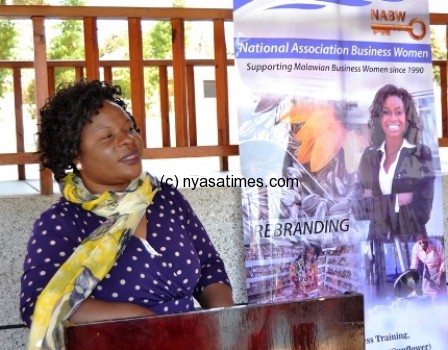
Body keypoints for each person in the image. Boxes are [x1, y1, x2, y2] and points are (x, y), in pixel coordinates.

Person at [20, 79, 234, 350]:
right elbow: (39, 305)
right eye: (108, 136)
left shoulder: (165, 199)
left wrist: (222, 322)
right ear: (75, 153)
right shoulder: (61, 223)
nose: (128, 140)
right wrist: (140, 321)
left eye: (130, 129)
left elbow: (208, 266)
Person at [353, 84, 435, 297]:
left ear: (407, 117)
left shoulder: (421, 155)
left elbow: (422, 211)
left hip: (411, 247)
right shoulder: (369, 157)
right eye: (386, 112)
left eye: (399, 112)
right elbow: (358, 208)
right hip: (377, 250)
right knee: (380, 312)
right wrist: (398, 199)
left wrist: (376, 199)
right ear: (379, 118)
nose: (393, 118)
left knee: (415, 310)